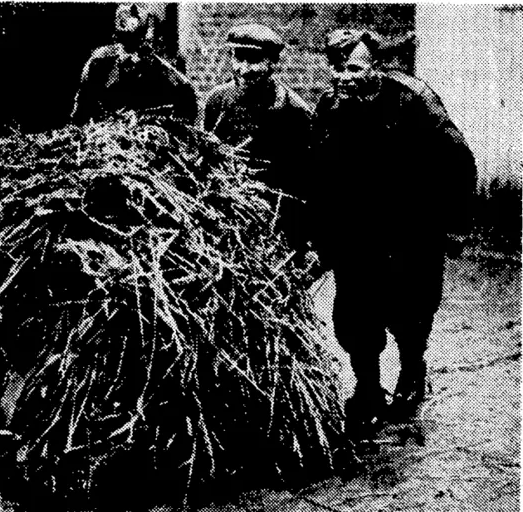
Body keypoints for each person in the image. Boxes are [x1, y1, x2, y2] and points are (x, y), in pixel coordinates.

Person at [309, 29, 477, 434]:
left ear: (377, 67)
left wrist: (454, 226)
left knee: (411, 309)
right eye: (335, 67)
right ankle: (367, 389)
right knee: (354, 315)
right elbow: (319, 171)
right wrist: (322, 237)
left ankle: (412, 371)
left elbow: (458, 159)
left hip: (410, 230)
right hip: (358, 233)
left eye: (352, 68)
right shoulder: (331, 106)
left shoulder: (413, 100)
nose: (342, 77)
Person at [203, 23, 314, 264]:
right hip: (226, 221)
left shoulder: (294, 112)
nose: (243, 69)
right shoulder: (218, 100)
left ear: (273, 64)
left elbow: (303, 185)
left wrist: (299, 244)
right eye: (238, 58)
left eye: (253, 60)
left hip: (275, 227)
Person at [71, 4, 198, 125]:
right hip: (105, 136)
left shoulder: (162, 72)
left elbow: (186, 97)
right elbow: (82, 108)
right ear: (116, 39)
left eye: (139, 50)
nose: (133, 57)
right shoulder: (99, 64)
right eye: (126, 47)